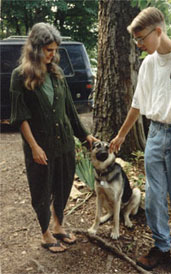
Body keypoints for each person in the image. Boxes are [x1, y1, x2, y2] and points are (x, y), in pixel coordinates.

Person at [10, 22, 97, 253]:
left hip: (64, 142)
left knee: (63, 184)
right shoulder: (20, 76)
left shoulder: (57, 74)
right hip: (40, 145)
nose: (53, 54)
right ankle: (45, 232)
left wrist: (85, 135)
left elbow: (70, 109)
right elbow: (21, 118)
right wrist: (34, 147)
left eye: (55, 50)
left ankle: (59, 226)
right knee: (41, 188)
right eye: (49, 50)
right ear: (36, 48)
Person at [109, 7, 171, 271]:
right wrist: (121, 134)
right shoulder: (149, 63)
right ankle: (162, 247)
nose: (139, 45)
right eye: (136, 40)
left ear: (158, 31)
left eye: (141, 39)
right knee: (154, 196)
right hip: (156, 134)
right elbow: (137, 104)